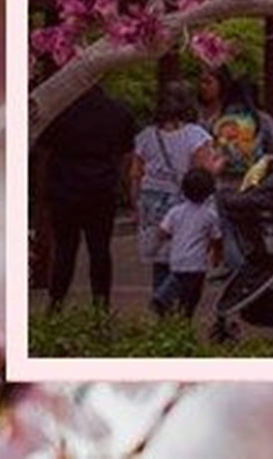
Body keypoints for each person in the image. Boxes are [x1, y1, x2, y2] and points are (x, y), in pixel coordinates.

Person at [39, 84, 136, 310]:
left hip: (64, 186)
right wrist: (123, 186)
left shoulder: (60, 110)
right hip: (101, 188)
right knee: (100, 250)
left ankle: (56, 303)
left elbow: (44, 152)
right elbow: (126, 155)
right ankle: (101, 306)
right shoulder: (118, 111)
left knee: (64, 250)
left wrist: (44, 188)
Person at [131, 83, 218, 305]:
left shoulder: (145, 136)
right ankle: (164, 300)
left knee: (159, 258)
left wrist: (136, 204)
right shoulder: (196, 136)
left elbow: (136, 175)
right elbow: (203, 174)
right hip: (184, 202)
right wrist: (221, 163)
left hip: (151, 202)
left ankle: (161, 309)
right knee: (185, 257)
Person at [206, 73, 273, 275]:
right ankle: (254, 267)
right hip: (255, 183)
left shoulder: (217, 120)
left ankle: (236, 268)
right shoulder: (262, 120)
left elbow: (208, 150)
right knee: (252, 227)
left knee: (228, 229)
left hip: (223, 183)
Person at [153, 167, 222, 317]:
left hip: (177, 260)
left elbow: (162, 233)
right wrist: (216, 256)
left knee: (177, 281)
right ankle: (182, 316)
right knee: (191, 298)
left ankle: (162, 299)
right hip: (197, 264)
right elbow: (217, 238)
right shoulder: (210, 215)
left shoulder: (175, 212)